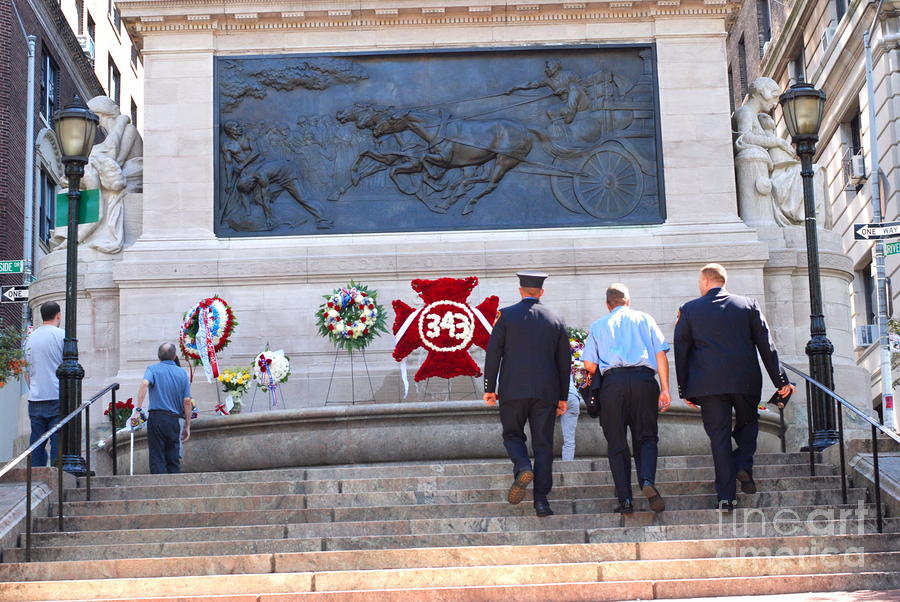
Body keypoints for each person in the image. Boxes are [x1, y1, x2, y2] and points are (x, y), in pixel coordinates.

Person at [673, 263, 794, 511]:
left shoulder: (689, 310)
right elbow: (766, 346)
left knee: (719, 439)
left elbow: (681, 351)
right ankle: (742, 464)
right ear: (723, 281)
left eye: (700, 281)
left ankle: (726, 497)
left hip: (708, 385)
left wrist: (685, 389)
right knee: (748, 426)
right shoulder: (748, 305)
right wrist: (780, 380)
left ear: (706, 282)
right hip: (745, 380)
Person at [483, 271, 569, 517]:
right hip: (546, 392)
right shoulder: (555, 319)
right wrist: (562, 396)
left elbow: (493, 354)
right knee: (543, 446)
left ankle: (522, 466)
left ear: (520, 291)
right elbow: (563, 362)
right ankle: (541, 502)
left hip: (513, 390)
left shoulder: (506, 316)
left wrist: (489, 388)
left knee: (512, 435)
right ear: (541, 292)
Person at [581, 284, 671, 514]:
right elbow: (660, 355)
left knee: (617, 443)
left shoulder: (598, 326)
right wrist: (665, 389)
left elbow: (589, 365)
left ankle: (625, 501)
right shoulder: (645, 319)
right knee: (647, 437)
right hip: (644, 381)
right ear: (628, 301)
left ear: (607, 304)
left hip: (613, 385)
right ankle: (648, 481)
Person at [134, 343, 192, 474]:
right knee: (173, 457)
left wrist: (138, 409)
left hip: (156, 418)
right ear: (174, 356)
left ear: (158, 356)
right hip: (173, 420)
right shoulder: (182, 373)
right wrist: (187, 425)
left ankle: (158, 489)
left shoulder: (152, 369)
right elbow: (187, 401)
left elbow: (144, 384)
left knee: (156, 456)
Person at [23, 302, 65, 467]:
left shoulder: (30, 338)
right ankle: (57, 477)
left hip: (35, 397)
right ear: (58, 315)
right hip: (56, 395)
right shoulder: (61, 335)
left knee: (37, 441)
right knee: (58, 441)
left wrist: (32, 386)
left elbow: (25, 370)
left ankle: (35, 477)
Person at [560, 376, 581, 462]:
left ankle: (543, 466)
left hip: (556, 396)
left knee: (543, 436)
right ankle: (567, 467)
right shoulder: (564, 364)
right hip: (573, 397)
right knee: (569, 440)